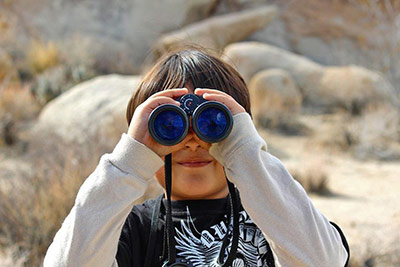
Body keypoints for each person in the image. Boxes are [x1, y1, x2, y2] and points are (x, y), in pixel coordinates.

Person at [43, 48, 349, 267]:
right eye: (169, 126)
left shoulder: (276, 216)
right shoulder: (130, 228)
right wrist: (128, 162)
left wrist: (246, 154)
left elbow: (323, 261)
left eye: (213, 124)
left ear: (240, 129)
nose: (192, 143)